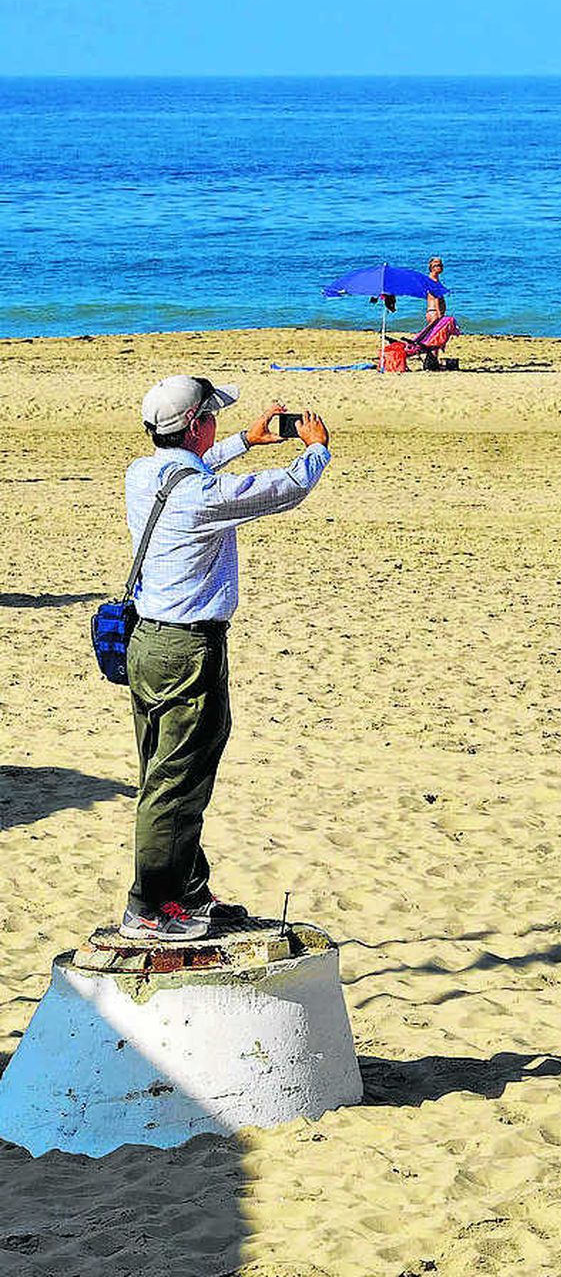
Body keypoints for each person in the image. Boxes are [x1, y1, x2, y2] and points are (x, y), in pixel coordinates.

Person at [120, 377, 332, 941]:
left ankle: (186, 889)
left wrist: (245, 439)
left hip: (148, 642)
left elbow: (190, 466)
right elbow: (279, 492)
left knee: (165, 773)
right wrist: (316, 449)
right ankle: (151, 905)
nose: (214, 421)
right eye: (210, 416)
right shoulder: (199, 495)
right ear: (193, 424)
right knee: (178, 780)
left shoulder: (144, 474)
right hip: (186, 648)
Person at [425, 257, 447, 326]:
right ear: (432, 267)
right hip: (435, 313)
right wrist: (439, 314)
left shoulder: (433, 279)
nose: (441, 267)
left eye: (441, 265)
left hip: (433, 312)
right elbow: (436, 297)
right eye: (438, 265)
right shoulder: (433, 281)